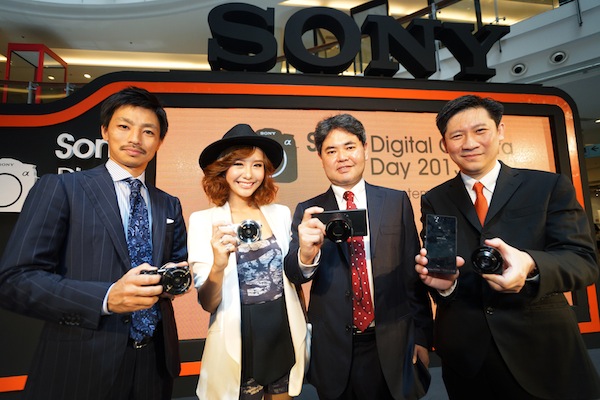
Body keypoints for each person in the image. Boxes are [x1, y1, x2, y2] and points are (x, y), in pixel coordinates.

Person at [0, 86, 188, 400]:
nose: (135, 139)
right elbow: (14, 280)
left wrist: (176, 280)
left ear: (159, 141)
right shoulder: (62, 188)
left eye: (148, 131)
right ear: (105, 131)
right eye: (124, 126)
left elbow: (176, 262)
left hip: (154, 363)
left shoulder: (168, 203)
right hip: (81, 361)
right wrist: (106, 297)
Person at [415, 94, 600, 399]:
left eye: (480, 131)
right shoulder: (435, 199)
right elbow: (441, 268)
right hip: (468, 358)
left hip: (542, 351)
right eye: (457, 136)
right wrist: (445, 287)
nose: (469, 143)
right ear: (444, 145)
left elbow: (583, 261)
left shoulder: (547, 186)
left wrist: (531, 265)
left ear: (500, 131)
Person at [284, 113, 433, 400]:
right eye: (331, 150)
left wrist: (423, 337)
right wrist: (306, 253)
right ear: (320, 157)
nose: (342, 157)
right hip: (335, 348)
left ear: (365, 148)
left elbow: (411, 276)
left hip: (393, 341)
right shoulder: (309, 210)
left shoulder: (395, 201)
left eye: (350, 147)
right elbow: (293, 272)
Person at [188, 123, 308, 400]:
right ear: (223, 169)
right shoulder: (203, 221)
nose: (248, 174)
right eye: (238, 164)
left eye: (257, 165)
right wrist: (218, 264)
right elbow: (208, 302)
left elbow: (293, 275)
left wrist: (308, 252)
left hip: (283, 332)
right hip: (238, 339)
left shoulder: (280, 213)